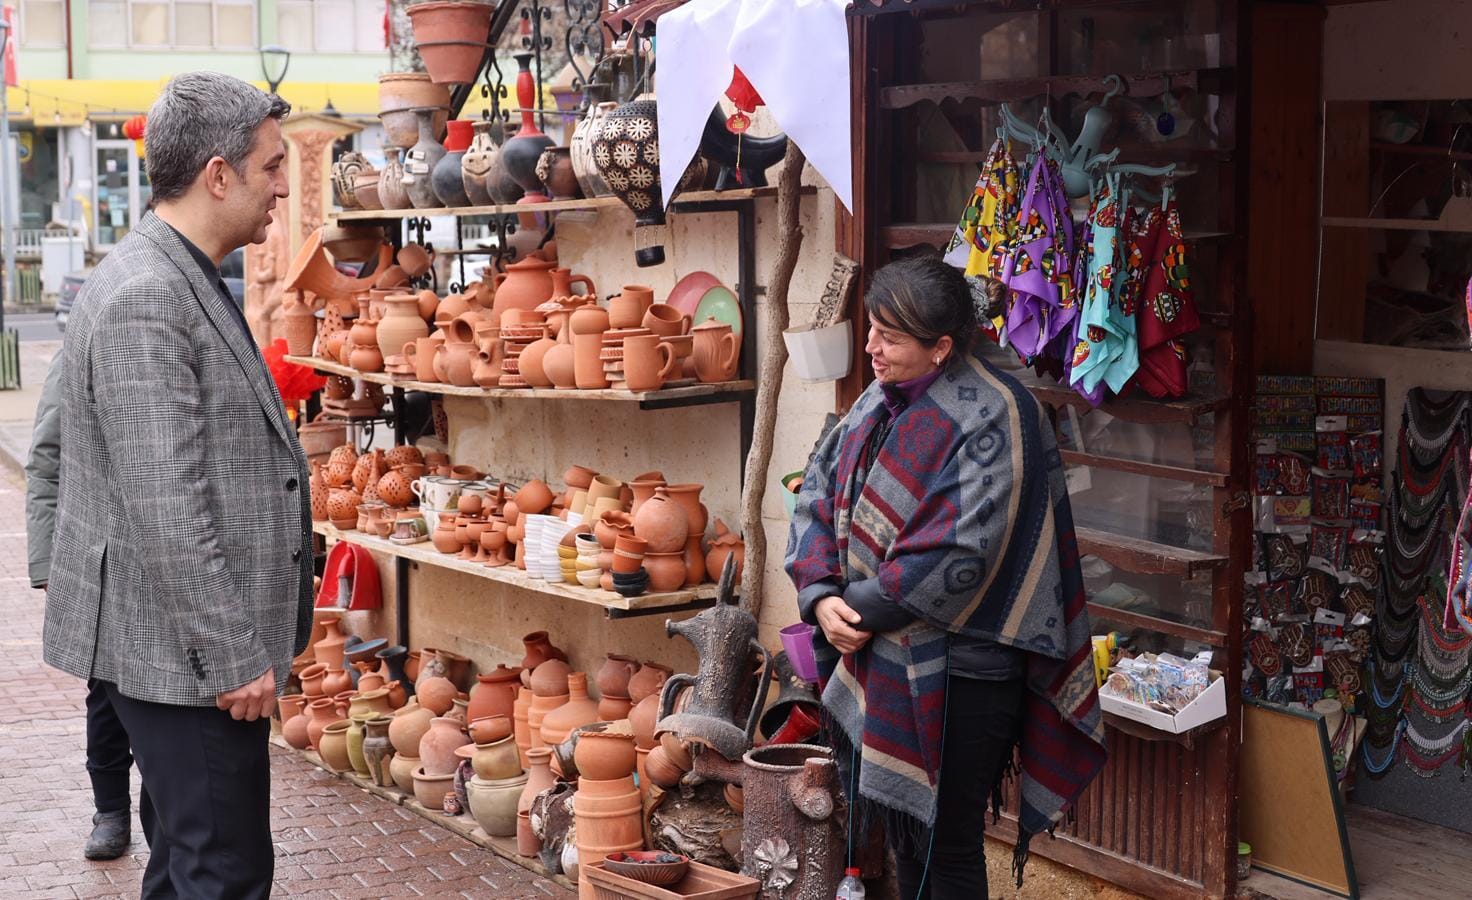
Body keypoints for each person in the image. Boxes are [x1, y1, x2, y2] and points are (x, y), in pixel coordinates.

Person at [42, 71, 312, 899]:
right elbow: (167, 502)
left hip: (171, 654)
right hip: (188, 665)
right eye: (270, 166)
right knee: (222, 872)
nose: (282, 186)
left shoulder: (164, 271)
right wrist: (233, 656)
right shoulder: (151, 295)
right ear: (218, 174)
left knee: (187, 865)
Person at [785, 257, 1108, 900]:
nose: (871, 349)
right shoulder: (876, 400)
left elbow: (960, 556)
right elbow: (815, 491)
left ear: (941, 347)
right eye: (872, 329)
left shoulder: (1000, 414)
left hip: (967, 674)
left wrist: (851, 609)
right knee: (908, 841)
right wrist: (820, 597)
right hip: (880, 653)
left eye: (891, 337)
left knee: (947, 846)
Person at [26, 351, 136, 860]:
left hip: (173, 553)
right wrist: (47, 563)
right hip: (102, 553)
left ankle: (169, 812)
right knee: (108, 689)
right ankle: (110, 810)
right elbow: (46, 461)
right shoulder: (80, 349)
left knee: (174, 697)